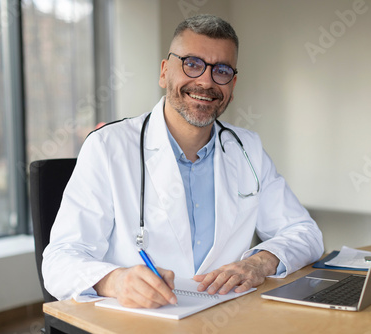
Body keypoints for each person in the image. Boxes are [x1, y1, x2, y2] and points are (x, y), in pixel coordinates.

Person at [42, 14, 323, 309]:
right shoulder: (107, 147)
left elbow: (306, 234)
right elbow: (60, 259)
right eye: (192, 63)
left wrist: (261, 262)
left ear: (233, 83)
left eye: (222, 70)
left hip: (225, 318)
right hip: (140, 322)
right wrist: (115, 281)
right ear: (165, 72)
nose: (205, 81)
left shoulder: (247, 148)